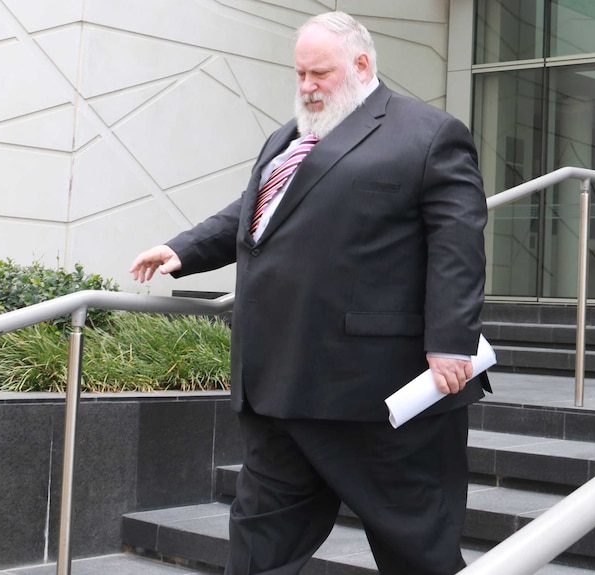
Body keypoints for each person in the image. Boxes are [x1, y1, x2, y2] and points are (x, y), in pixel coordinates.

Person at [129, 11, 488, 575]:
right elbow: (256, 215)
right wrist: (185, 250)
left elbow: (457, 246)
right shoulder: (289, 135)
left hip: (376, 397)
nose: (306, 87)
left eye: (318, 73)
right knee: (257, 546)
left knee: (419, 551)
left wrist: (451, 341)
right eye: (299, 74)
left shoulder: (429, 134)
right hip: (277, 390)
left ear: (362, 64)